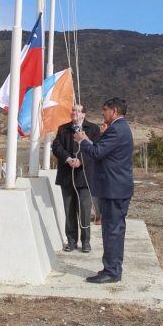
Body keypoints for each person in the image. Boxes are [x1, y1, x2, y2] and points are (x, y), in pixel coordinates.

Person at [74, 97, 134, 284]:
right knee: (112, 230)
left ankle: (112, 271)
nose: (103, 114)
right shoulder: (119, 128)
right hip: (115, 188)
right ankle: (111, 267)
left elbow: (97, 153)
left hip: (114, 189)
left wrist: (83, 141)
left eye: (105, 110)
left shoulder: (117, 129)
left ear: (114, 111)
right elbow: (103, 150)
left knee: (112, 230)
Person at [52, 104, 101, 253]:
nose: (75, 112)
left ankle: (85, 241)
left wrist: (81, 161)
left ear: (84, 114)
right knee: (69, 209)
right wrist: (68, 159)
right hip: (67, 175)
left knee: (85, 210)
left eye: (78, 111)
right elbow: (57, 147)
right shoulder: (63, 129)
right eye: (73, 110)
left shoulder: (93, 129)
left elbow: (96, 149)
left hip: (84, 176)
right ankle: (71, 241)